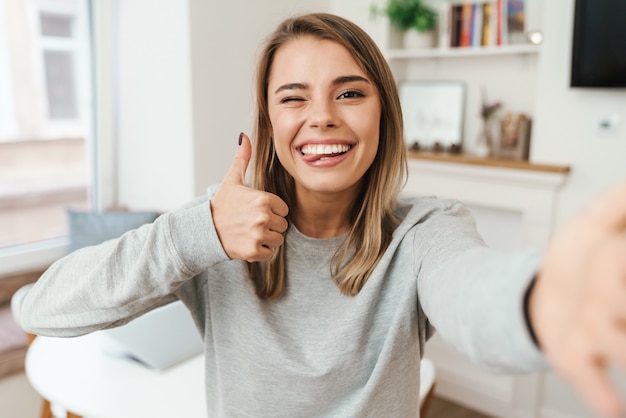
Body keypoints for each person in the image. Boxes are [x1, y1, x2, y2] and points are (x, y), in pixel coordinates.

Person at [19, 13, 626, 418]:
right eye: (293, 98)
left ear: (383, 115)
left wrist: (536, 299)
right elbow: (44, 309)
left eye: (350, 92)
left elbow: (469, 288)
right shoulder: (216, 230)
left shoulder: (424, 231)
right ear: (269, 122)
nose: (323, 116)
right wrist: (194, 232)